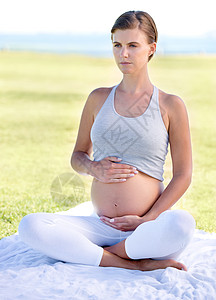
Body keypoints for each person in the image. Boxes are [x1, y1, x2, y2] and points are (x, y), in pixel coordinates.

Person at [18, 11, 196, 272]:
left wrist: (147, 219)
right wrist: (93, 167)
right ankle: (134, 264)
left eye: (133, 45)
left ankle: (97, 255)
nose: (123, 54)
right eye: (117, 45)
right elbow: (78, 156)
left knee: (181, 224)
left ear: (151, 49)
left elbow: (184, 175)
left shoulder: (170, 105)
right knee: (30, 226)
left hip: (147, 227)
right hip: (100, 225)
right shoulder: (98, 99)